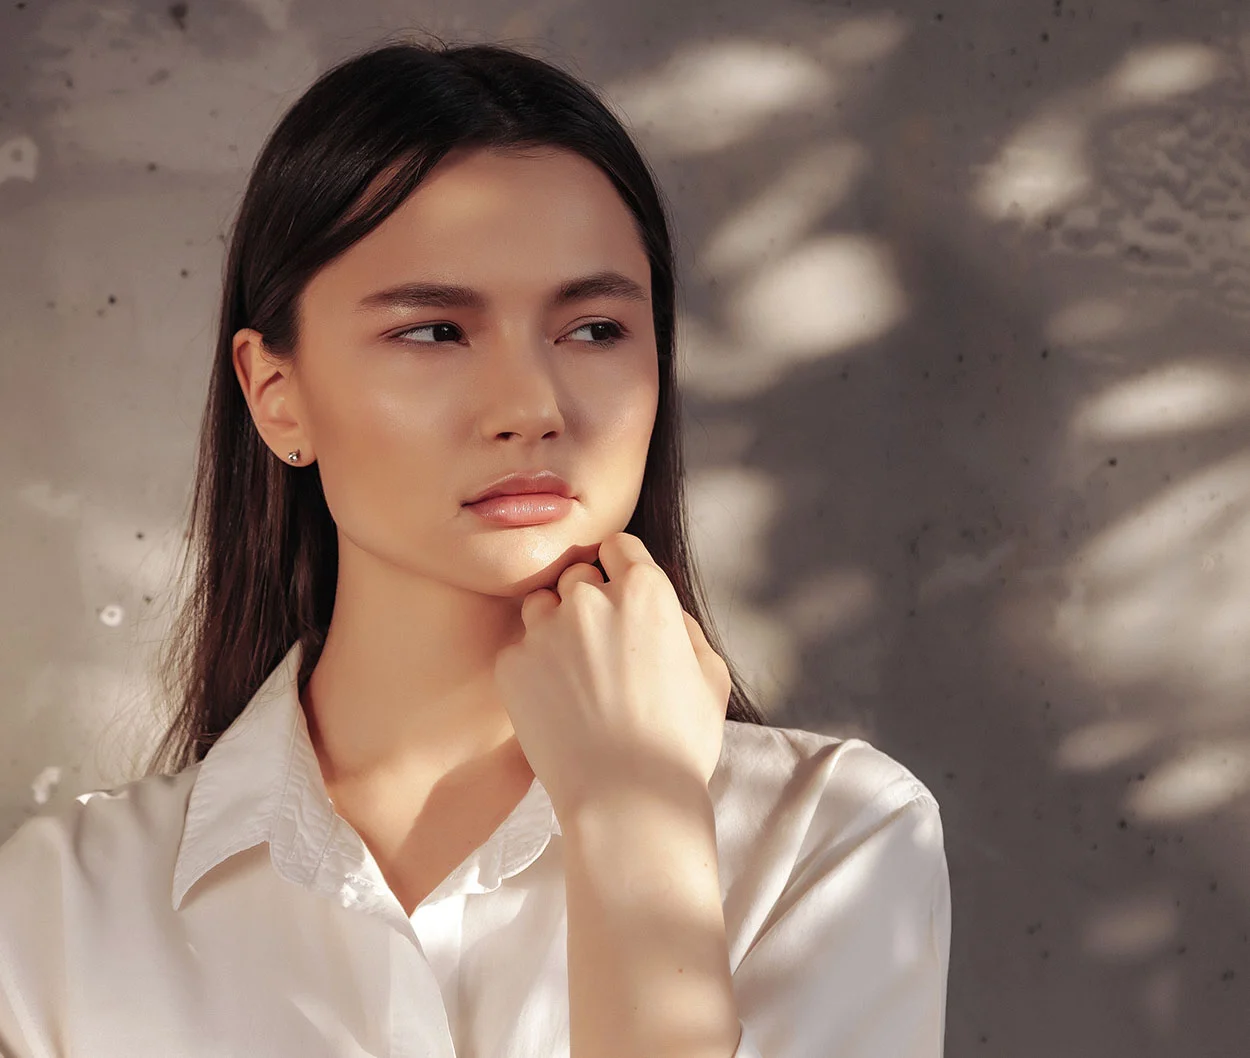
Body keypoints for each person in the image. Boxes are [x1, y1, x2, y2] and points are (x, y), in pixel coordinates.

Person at [0, 37, 950, 1058]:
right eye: (434, 332)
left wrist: (632, 824)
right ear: (277, 395)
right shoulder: (59, 910)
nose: (532, 406)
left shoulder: (828, 839)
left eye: (592, 330)